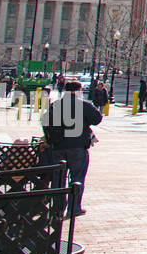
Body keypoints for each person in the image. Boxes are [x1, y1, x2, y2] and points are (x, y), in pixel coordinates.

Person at [40, 79, 101, 216]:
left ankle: (58, 207)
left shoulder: (56, 105)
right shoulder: (83, 105)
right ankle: (74, 208)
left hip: (58, 147)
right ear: (77, 91)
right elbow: (97, 119)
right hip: (78, 147)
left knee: (58, 178)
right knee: (77, 178)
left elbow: (45, 121)